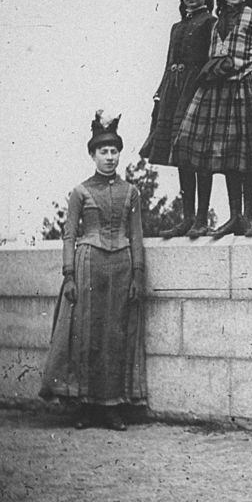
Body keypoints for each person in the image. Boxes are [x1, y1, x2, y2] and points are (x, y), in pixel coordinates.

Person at [40, 111, 146, 431]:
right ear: (92, 155)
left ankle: (112, 407)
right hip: (88, 267)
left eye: (114, 151)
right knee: (87, 336)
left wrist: (138, 274)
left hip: (122, 266)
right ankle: (85, 407)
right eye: (103, 151)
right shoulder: (80, 192)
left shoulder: (131, 192)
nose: (109, 157)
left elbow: (137, 236)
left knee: (115, 334)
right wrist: (69, 274)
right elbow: (69, 235)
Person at [173, 0, 252, 238]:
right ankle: (234, 215)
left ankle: (250, 217)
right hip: (221, 93)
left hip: (247, 90)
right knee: (230, 155)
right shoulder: (217, 23)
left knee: (248, 156)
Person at [139, 0, 215, 238]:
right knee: (181, 156)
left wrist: (204, 91)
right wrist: (160, 94)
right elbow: (169, 61)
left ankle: (202, 218)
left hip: (196, 92)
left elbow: (211, 60)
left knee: (199, 156)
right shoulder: (176, 27)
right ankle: (188, 217)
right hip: (174, 91)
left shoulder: (211, 22)